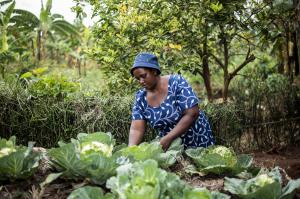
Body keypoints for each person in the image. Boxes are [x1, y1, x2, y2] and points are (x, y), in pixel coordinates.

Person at [128, 52, 215, 150]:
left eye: (143, 76)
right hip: (171, 148)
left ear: (154, 71)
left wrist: (168, 138)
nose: (141, 81)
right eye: (137, 78)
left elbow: (192, 113)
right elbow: (136, 129)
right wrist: (130, 150)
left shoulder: (176, 82)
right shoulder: (141, 98)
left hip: (196, 140)